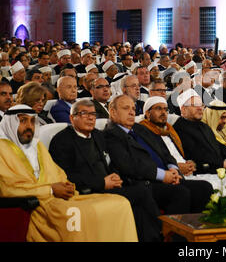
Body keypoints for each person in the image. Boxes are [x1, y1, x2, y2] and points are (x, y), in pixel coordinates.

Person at [0, 104, 138, 242]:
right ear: (10, 123)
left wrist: (67, 185)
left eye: (32, 121)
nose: (29, 126)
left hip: (59, 198)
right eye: (23, 121)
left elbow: (58, 173)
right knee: (78, 215)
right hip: (39, 205)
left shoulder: (37, 146)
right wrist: (50, 190)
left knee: (120, 203)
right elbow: (8, 188)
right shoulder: (2, 149)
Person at [49, 99, 163, 242]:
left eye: (93, 114)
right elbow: (66, 176)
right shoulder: (61, 141)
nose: (90, 117)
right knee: (141, 192)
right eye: (84, 113)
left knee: (140, 197)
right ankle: (161, 233)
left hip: (109, 186)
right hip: (87, 191)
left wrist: (115, 176)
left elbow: (109, 162)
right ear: (72, 118)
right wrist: (102, 182)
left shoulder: (97, 135)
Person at [103, 95, 212, 214]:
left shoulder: (140, 128)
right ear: (113, 112)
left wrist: (173, 168)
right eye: (126, 108)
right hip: (144, 182)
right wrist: (162, 175)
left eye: (133, 109)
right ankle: (172, 231)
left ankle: (193, 228)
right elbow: (130, 166)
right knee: (180, 193)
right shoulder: (110, 135)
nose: (131, 112)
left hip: (166, 176)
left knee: (204, 187)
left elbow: (163, 150)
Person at [139, 96, 226, 195]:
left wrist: (189, 164)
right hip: (174, 173)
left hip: (187, 171)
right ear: (147, 113)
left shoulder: (170, 131)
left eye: (165, 109)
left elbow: (220, 147)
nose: (163, 112)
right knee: (209, 185)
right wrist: (177, 167)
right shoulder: (145, 132)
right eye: (158, 109)